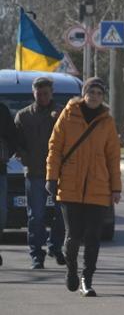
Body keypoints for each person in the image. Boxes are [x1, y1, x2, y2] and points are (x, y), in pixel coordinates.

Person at [45, 77, 122, 297]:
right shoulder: (68, 116)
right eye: (91, 92)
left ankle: (86, 279)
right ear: (84, 94)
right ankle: (71, 270)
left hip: (98, 186)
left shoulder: (107, 122)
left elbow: (113, 157)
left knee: (93, 237)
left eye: (99, 93)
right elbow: (55, 148)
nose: (95, 96)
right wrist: (51, 177)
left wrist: (115, 188)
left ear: (102, 96)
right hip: (70, 185)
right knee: (74, 235)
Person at [15, 76, 67, 269]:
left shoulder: (62, 114)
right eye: (39, 93)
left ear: (51, 93)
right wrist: (23, 157)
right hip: (35, 173)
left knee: (62, 214)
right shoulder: (24, 116)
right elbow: (16, 142)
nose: (43, 97)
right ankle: (37, 255)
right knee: (36, 216)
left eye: (46, 93)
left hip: (60, 173)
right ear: (33, 93)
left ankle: (55, 246)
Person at [0, 93, 17, 264]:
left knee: (1, 213)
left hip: (0, 171)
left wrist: (5, 153)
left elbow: (13, 137)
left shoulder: (3, 111)